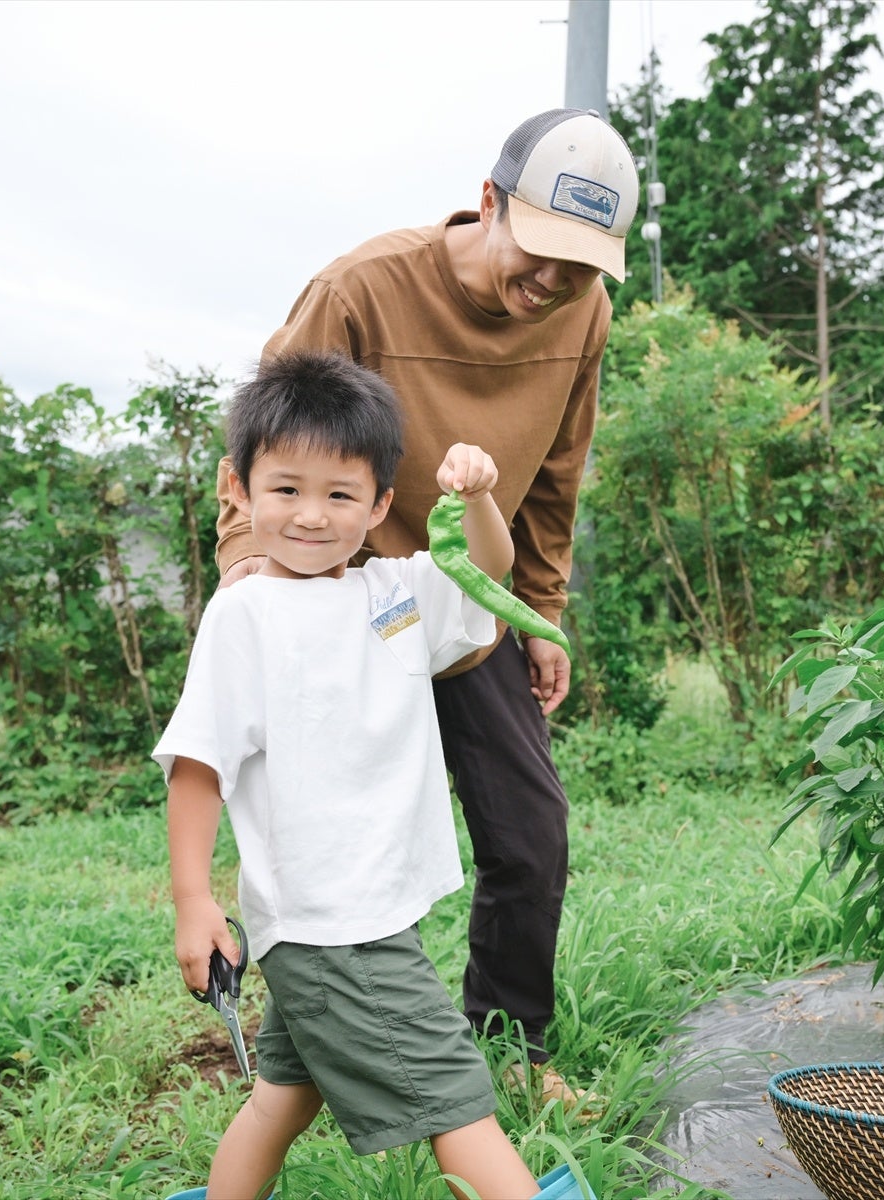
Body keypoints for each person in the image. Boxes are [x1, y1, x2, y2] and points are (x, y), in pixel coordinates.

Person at [211, 109, 638, 1095]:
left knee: (530, 835)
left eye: (581, 267)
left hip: (459, 604)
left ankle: (511, 1051)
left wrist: (540, 611)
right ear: (490, 201)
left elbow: (559, 471)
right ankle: (308, 1051)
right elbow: (263, 441)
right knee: (333, 846)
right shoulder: (360, 290)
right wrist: (248, 569)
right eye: (540, 251)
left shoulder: (584, 316)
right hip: (341, 606)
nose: (553, 282)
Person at [159, 351, 540, 1200]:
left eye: (339, 495)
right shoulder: (246, 612)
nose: (310, 515)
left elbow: (487, 570)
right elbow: (199, 764)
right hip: (335, 921)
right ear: (239, 490)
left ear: (379, 506)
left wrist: (479, 497)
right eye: (286, 489)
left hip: (364, 907)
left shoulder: (392, 595)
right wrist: (192, 899)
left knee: (282, 1099)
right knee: (456, 1100)